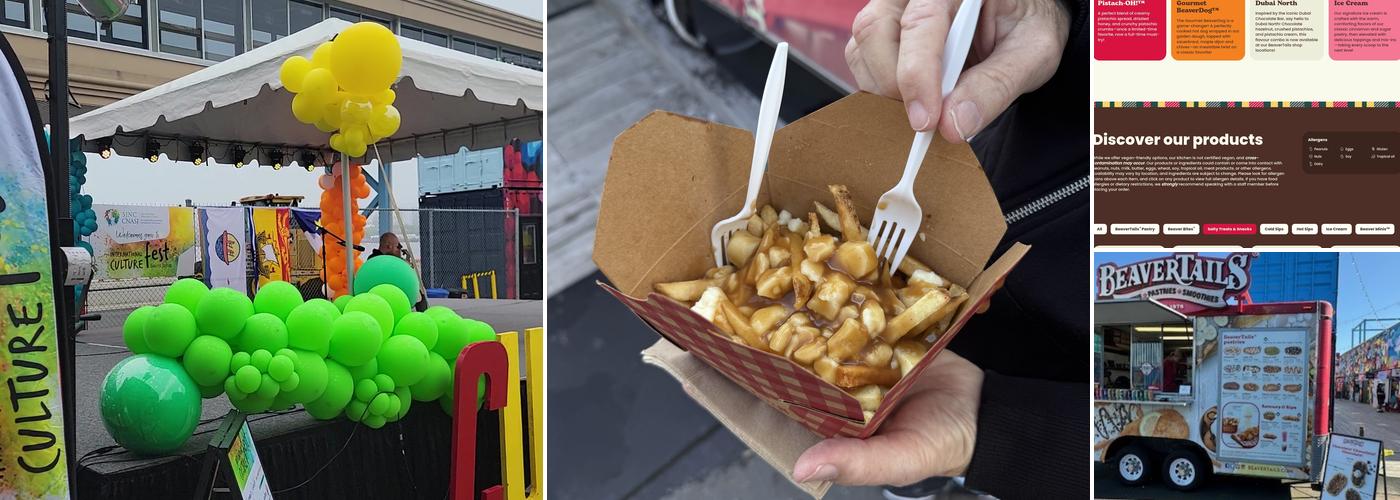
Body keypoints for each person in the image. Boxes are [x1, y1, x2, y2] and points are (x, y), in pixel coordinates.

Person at [793, 0, 1087, 498]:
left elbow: (1251, 438)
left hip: (1060, 403)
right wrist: (1059, 14)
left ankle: (956, 479)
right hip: (980, 189)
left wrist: (1002, 433)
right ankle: (924, 481)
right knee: (905, 449)